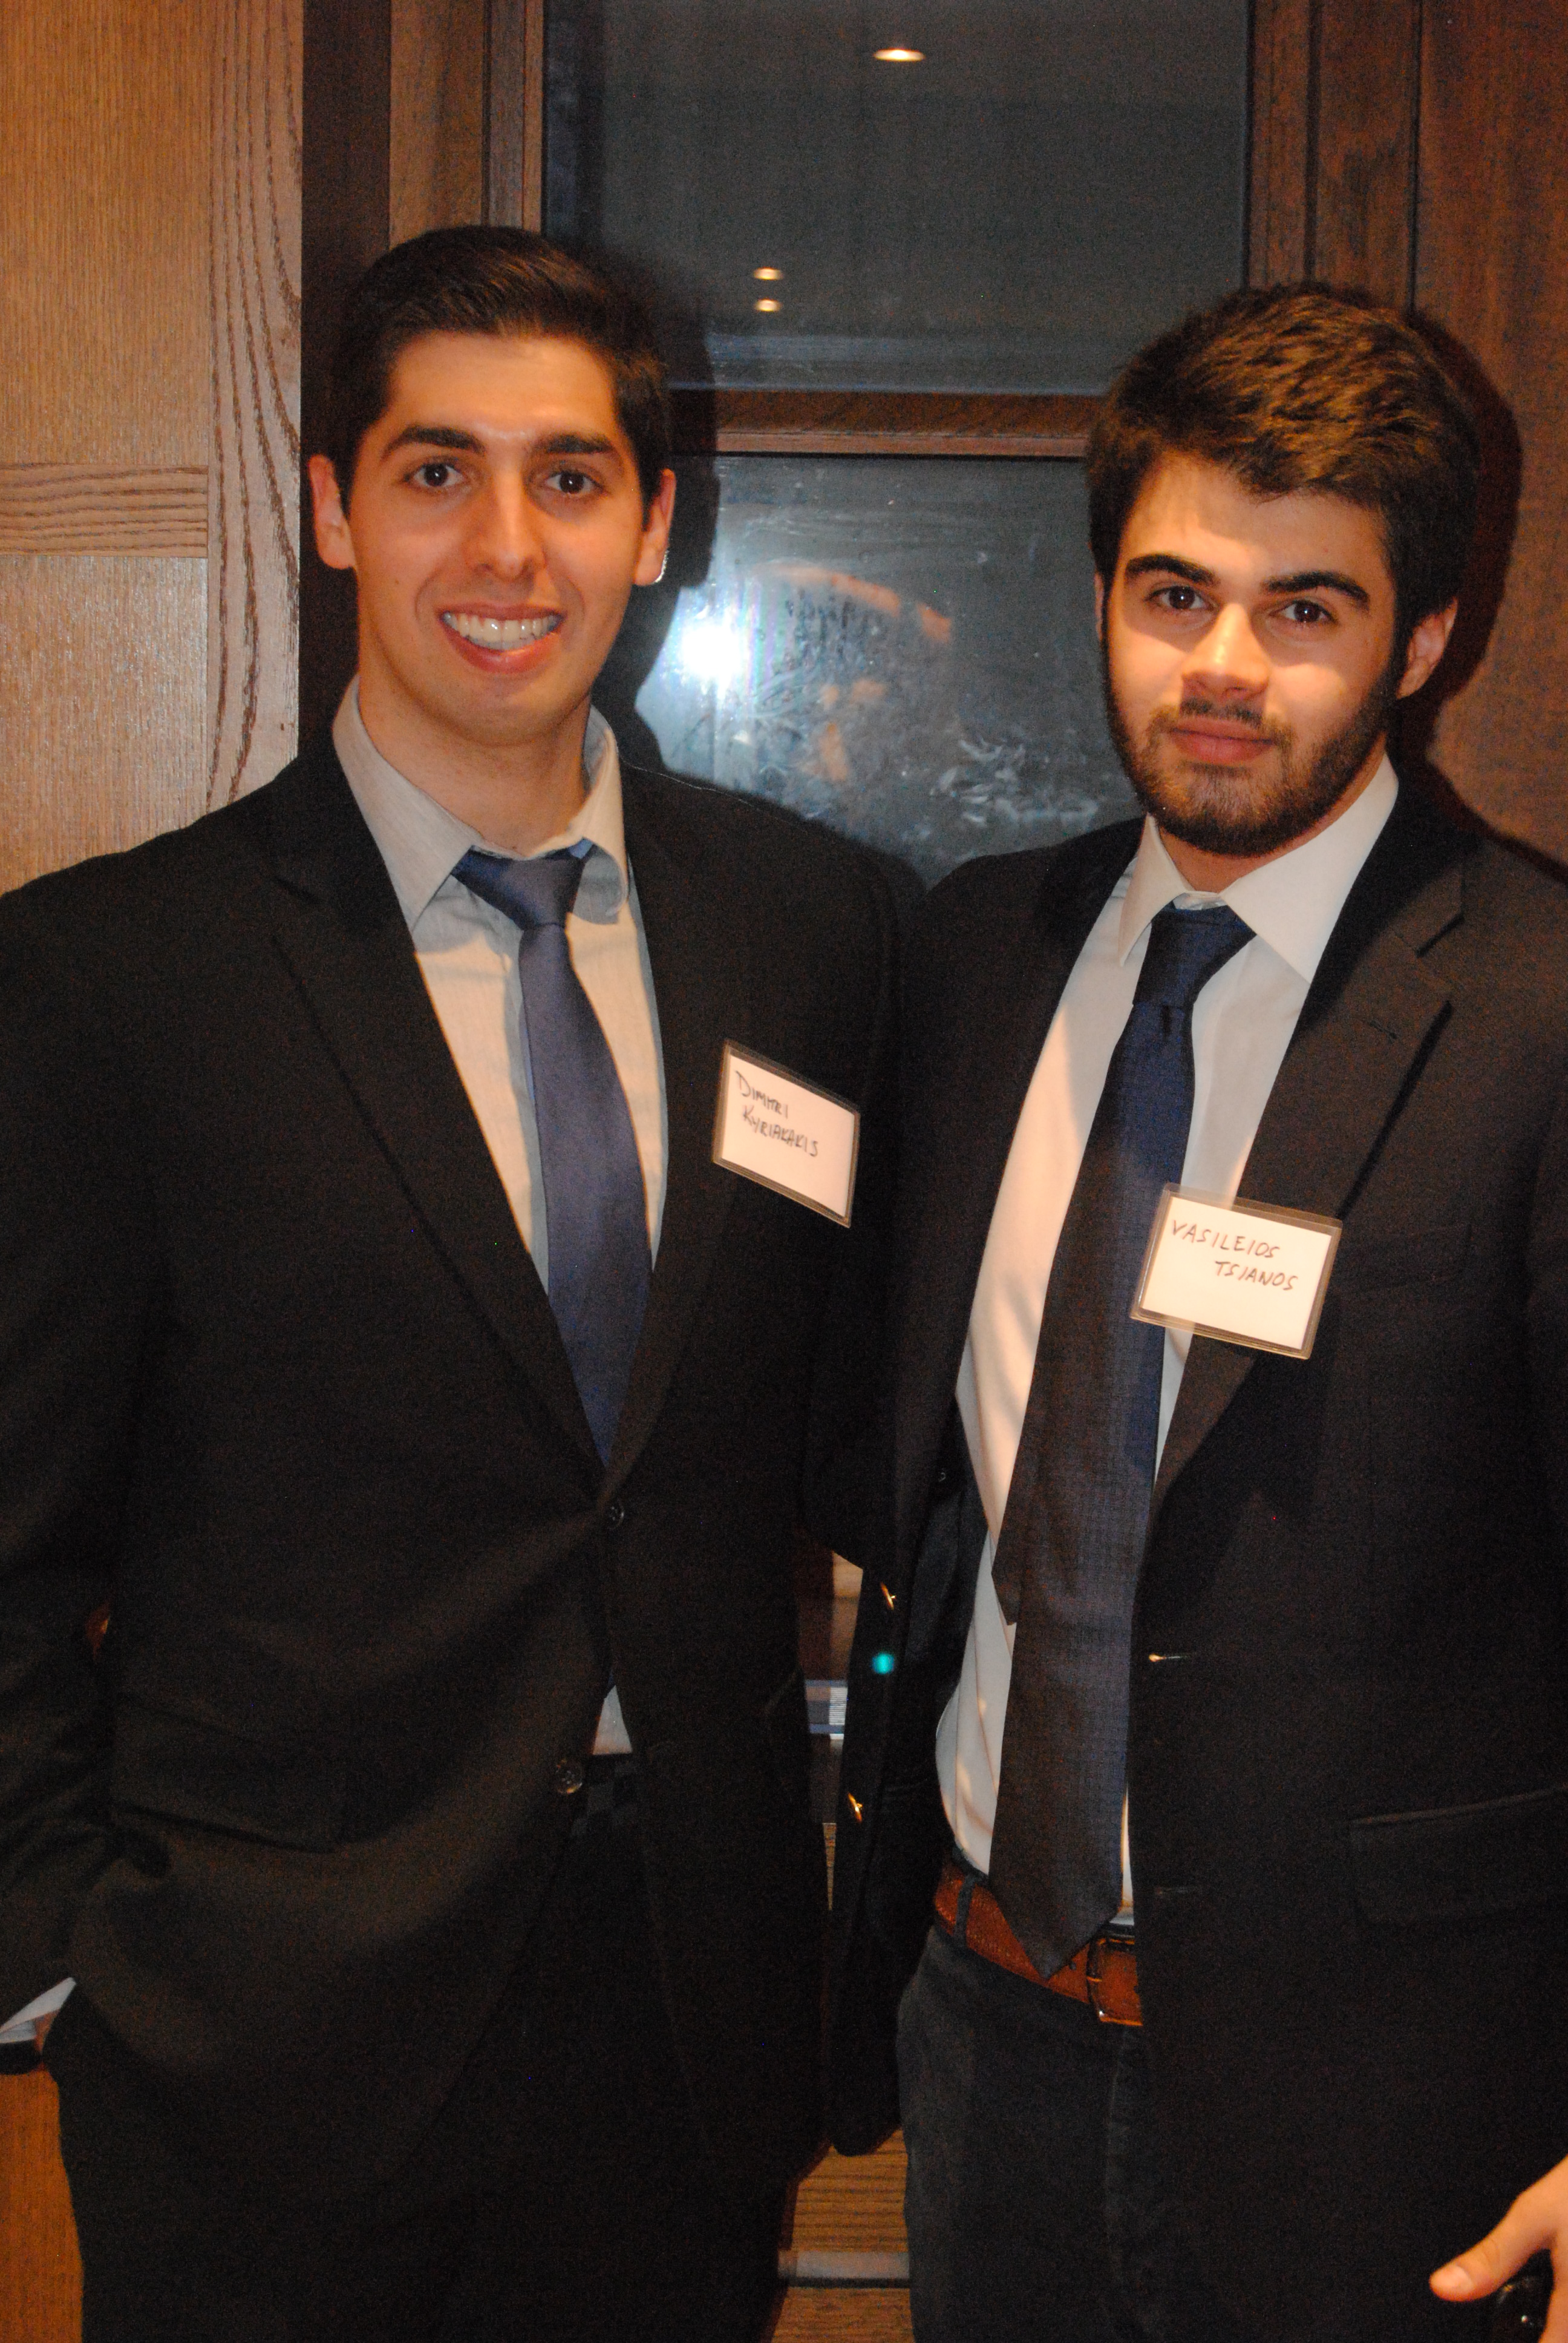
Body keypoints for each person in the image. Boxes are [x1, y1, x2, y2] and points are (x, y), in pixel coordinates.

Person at [0, 226, 896, 2342]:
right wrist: (65, 1964)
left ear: (656, 525)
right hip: (255, 2052)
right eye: (435, 473)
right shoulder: (110, 980)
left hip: (684, 2021)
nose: (506, 548)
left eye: (570, 478)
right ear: (332, 506)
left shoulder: (819, 935)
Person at [828, 281, 1568, 2341]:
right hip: (986, 2034)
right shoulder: (978, 960)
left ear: (1425, 640)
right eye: (1175, 594)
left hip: (1403, 2113)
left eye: (1305, 609)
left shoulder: (1538, 1015)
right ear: (1104, 600)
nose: (1223, 667)